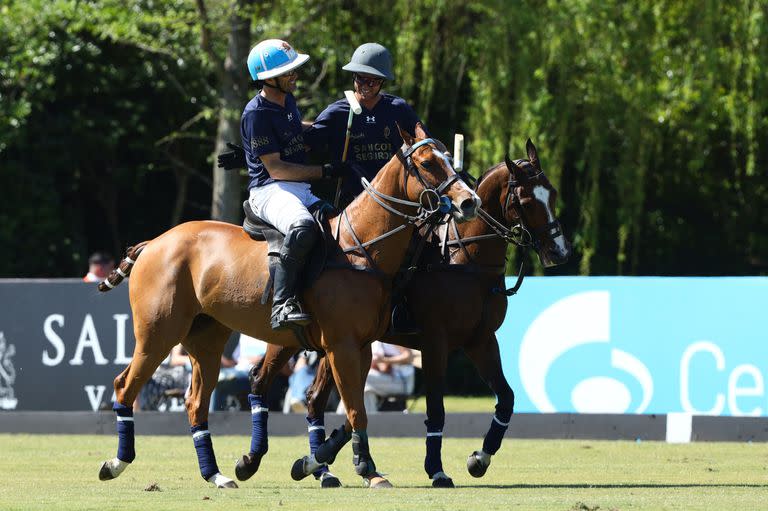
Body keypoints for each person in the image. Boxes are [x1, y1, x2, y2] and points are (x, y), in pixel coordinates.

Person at [241, 39, 349, 331]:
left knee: (341, 226)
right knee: (302, 228)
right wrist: (324, 171)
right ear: (268, 79)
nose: (295, 76)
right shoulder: (255, 114)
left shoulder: (287, 101)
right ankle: (282, 305)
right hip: (269, 189)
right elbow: (276, 169)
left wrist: (327, 130)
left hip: (295, 187)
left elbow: (293, 128)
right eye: (288, 72)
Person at [337, 341, 415, 413]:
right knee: (367, 391)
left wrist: (385, 360)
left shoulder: (390, 335)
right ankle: (369, 423)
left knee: (363, 379)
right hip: (384, 379)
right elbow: (380, 365)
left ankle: (338, 418)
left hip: (403, 382)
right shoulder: (373, 339)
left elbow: (409, 356)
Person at [136, 344, 191, 411]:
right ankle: (136, 416)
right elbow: (175, 359)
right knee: (138, 377)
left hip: (185, 377)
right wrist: (196, 360)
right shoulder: (184, 336)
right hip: (170, 375)